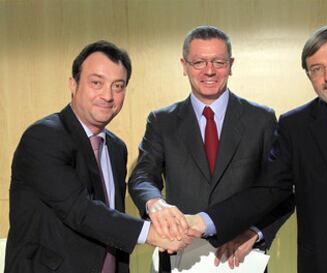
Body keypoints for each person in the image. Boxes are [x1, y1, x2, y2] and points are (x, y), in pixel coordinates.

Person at [188, 25, 327, 273]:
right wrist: (204, 221)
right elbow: (267, 190)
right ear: (309, 76)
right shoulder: (296, 127)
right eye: (317, 69)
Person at [4, 40, 191, 273]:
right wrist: (151, 234)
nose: (107, 95)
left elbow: (111, 217)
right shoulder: (43, 137)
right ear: (73, 84)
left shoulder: (116, 147)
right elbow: (79, 210)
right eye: (96, 83)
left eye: (118, 86)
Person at [128, 25, 293, 272]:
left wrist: (255, 233)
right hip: (178, 257)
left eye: (218, 62)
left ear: (231, 64)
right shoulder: (162, 121)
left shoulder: (262, 119)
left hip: (242, 260)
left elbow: (281, 188)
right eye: (199, 62)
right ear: (184, 66)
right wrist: (155, 203)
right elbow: (142, 176)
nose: (209, 71)